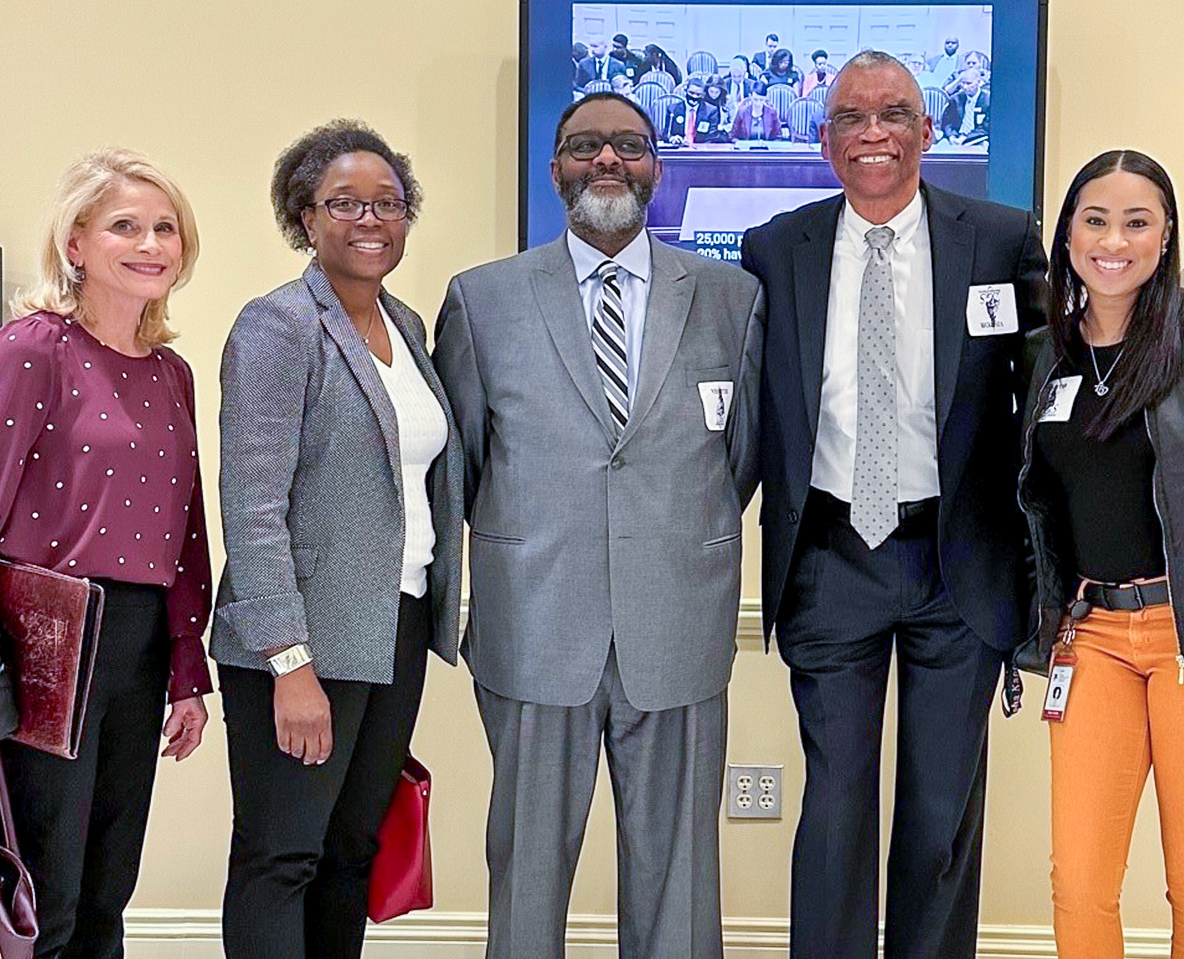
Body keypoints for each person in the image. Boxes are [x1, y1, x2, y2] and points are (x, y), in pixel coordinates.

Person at [433, 91, 763, 959]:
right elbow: (462, 468)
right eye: (585, 147)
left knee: (680, 884)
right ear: (555, 171)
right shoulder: (482, 300)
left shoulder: (733, 300)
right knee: (526, 875)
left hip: (679, 626)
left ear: (658, 165)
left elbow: (741, 463)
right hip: (535, 624)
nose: (607, 161)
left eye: (629, 145)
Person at [740, 51, 1049, 959]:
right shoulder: (776, 246)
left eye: (894, 114)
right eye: (852, 118)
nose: (873, 134)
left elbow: (1038, 394)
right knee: (834, 807)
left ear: (927, 128)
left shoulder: (998, 238)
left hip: (957, 559)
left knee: (939, 810)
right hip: (833, 555)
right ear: (824, 139)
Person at [1017, 150, 1184, 959]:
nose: (1115, 241)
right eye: (1095, 220)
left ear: (1166, 237)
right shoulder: (1042, 356)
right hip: (1092, 634)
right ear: (1066, 236)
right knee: (1081, 883)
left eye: (1138, 222)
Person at [212, 120, 463, 959]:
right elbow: (251, 507)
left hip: (397, 621)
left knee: (352, 849)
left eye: (388, 204)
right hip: (304, 640)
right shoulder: (278, 327)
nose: (371, 220)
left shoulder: (408, 326)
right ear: (305, 217)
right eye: (345, 203)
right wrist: (290, 663)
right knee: (282, 855)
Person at [0, 147, 211, 959]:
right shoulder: (32, 349)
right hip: (45, 639)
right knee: (45, 888)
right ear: (77, 243)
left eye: (166, 228)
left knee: (107, 885)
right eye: (126, 225)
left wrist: (188, 672)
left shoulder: (173, 374)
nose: (151, 243)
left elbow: (186, 535)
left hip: (141, 639)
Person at [663, 76, 727, 144]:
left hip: (701, 149)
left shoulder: (711, 111)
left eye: (698, 94)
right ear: (686, 91)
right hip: (679, 148)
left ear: (703, 95)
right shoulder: (673, 109)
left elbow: (712, 136)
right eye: (691, 93)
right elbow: (666, 134)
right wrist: (671, 138)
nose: (694, 96)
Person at [940, 67, 991, 143]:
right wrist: (952, 136)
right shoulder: (955, 99)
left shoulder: (988, 100)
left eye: (969, 83)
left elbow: (986, 127)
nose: (965, 87)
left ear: (978, 82)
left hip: (977, 138)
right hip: (955, 136)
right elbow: (947, 123)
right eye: (963, 83)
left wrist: (967, 137)